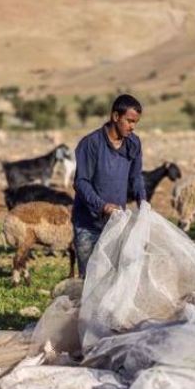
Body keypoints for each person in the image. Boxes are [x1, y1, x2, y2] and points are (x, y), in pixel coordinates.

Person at [71, 94, 145, 277]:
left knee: (115, 277)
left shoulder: (133, 143)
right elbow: (81, 182)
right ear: (115, 116)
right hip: (88, 224)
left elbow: (136, 176)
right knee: (89, 279)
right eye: (129, 121)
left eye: (136, 122)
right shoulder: (91, 144)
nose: (132, 127)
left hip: (116, 223)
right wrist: (102, 206)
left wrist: (143, 201)